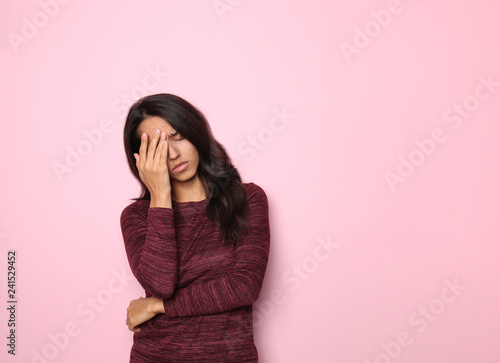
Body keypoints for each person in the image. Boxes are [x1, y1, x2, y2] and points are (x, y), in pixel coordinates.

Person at [120, 93, 271, 362]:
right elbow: (160, 284)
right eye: (158, 147)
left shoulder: (247, 198)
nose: (174, 154)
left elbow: (244, 286)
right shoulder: (137, 217)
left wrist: (158, 306)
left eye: (177, 136)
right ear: (141, 160)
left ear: (195, 132)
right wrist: (160, 198)